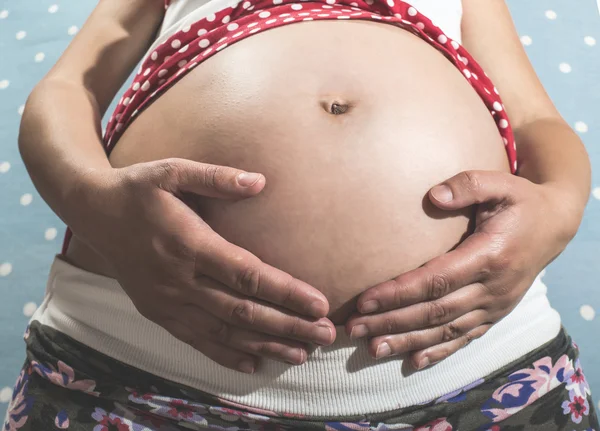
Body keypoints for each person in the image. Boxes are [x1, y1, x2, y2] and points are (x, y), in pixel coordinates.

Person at [5, 0, 597, 429]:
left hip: (474, 368)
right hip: (135, 358)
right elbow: (66, 89)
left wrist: (558, 210)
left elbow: (537, 123)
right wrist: (91, 200)